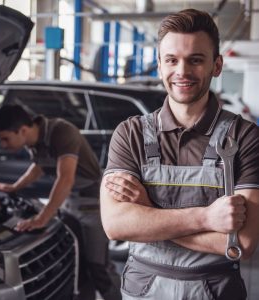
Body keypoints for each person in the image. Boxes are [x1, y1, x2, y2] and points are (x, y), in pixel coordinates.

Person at [100, 9, 259, 300]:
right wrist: (206, 218)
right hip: (143, 291)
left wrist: (149, 214)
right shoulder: (130, 134)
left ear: (217, 65)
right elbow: (116, 225)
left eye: (195, 60)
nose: (182, 72)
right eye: (171, 60)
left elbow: (242, 244)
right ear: (159, 66)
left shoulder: (245, 137)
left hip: (214, 291)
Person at [0, 104, 121, 300]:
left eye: (5, 139)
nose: (3, 145)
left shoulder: (61, 131)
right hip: (69, 204)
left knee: (99, 267)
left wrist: (42, 218)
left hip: (92, 205)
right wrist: (14, 187)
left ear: (22, 130)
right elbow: (38, 166)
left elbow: (65, 178)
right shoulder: (34, 140)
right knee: (77, 264)